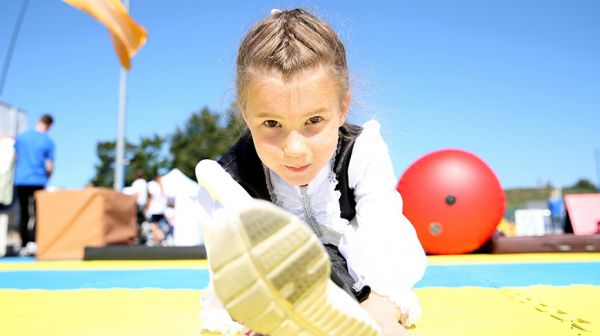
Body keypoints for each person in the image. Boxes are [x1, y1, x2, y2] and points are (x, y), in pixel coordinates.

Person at [195, 8, 427, 336]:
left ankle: (372, 312)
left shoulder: (362, 150)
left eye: (313, 121)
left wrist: (380, 300)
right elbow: (227, 266)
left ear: (342, 108)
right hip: (273, 273)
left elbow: (383, 231)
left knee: (376, 279)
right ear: (246, 115)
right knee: (234, 297)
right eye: (271, 123)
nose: (294, 149)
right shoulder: (229, 177)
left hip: (357, 269)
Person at [13, 114, 55, 256]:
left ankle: (24, 244)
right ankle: (34, 242)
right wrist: (47, 177)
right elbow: (49, 166)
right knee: (38, 213)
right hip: (38, 180)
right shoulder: (48, 141)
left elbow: (14, 156)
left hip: (21, 179)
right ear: (49, 126)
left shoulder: (22, 137)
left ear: (38, 121)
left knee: (24, 213)